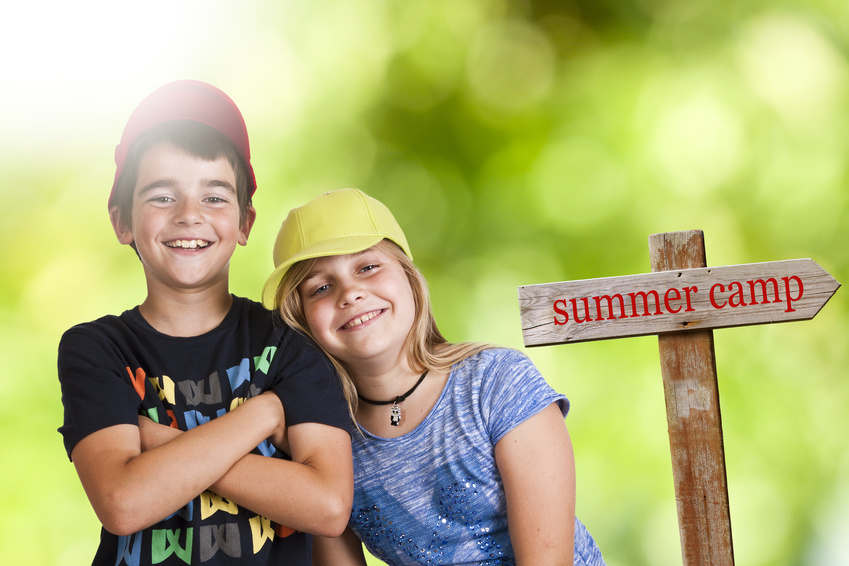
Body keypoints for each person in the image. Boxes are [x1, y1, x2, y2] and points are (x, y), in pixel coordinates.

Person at [57, 80, 353, 566]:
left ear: (244, 224)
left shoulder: (290, 342)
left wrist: (156, 443)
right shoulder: (96, 348)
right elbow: (123, 503)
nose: (189, 215)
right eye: (161, 197)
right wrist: (263, 415)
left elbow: (327, 506)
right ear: (122, 221)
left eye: (214, 197)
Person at [260, 188, 605, 565]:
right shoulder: (327, 437)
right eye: (321, 288)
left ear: (409, 279)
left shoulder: (496, 382)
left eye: (368, 267)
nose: (350, 293)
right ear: (302, 321)